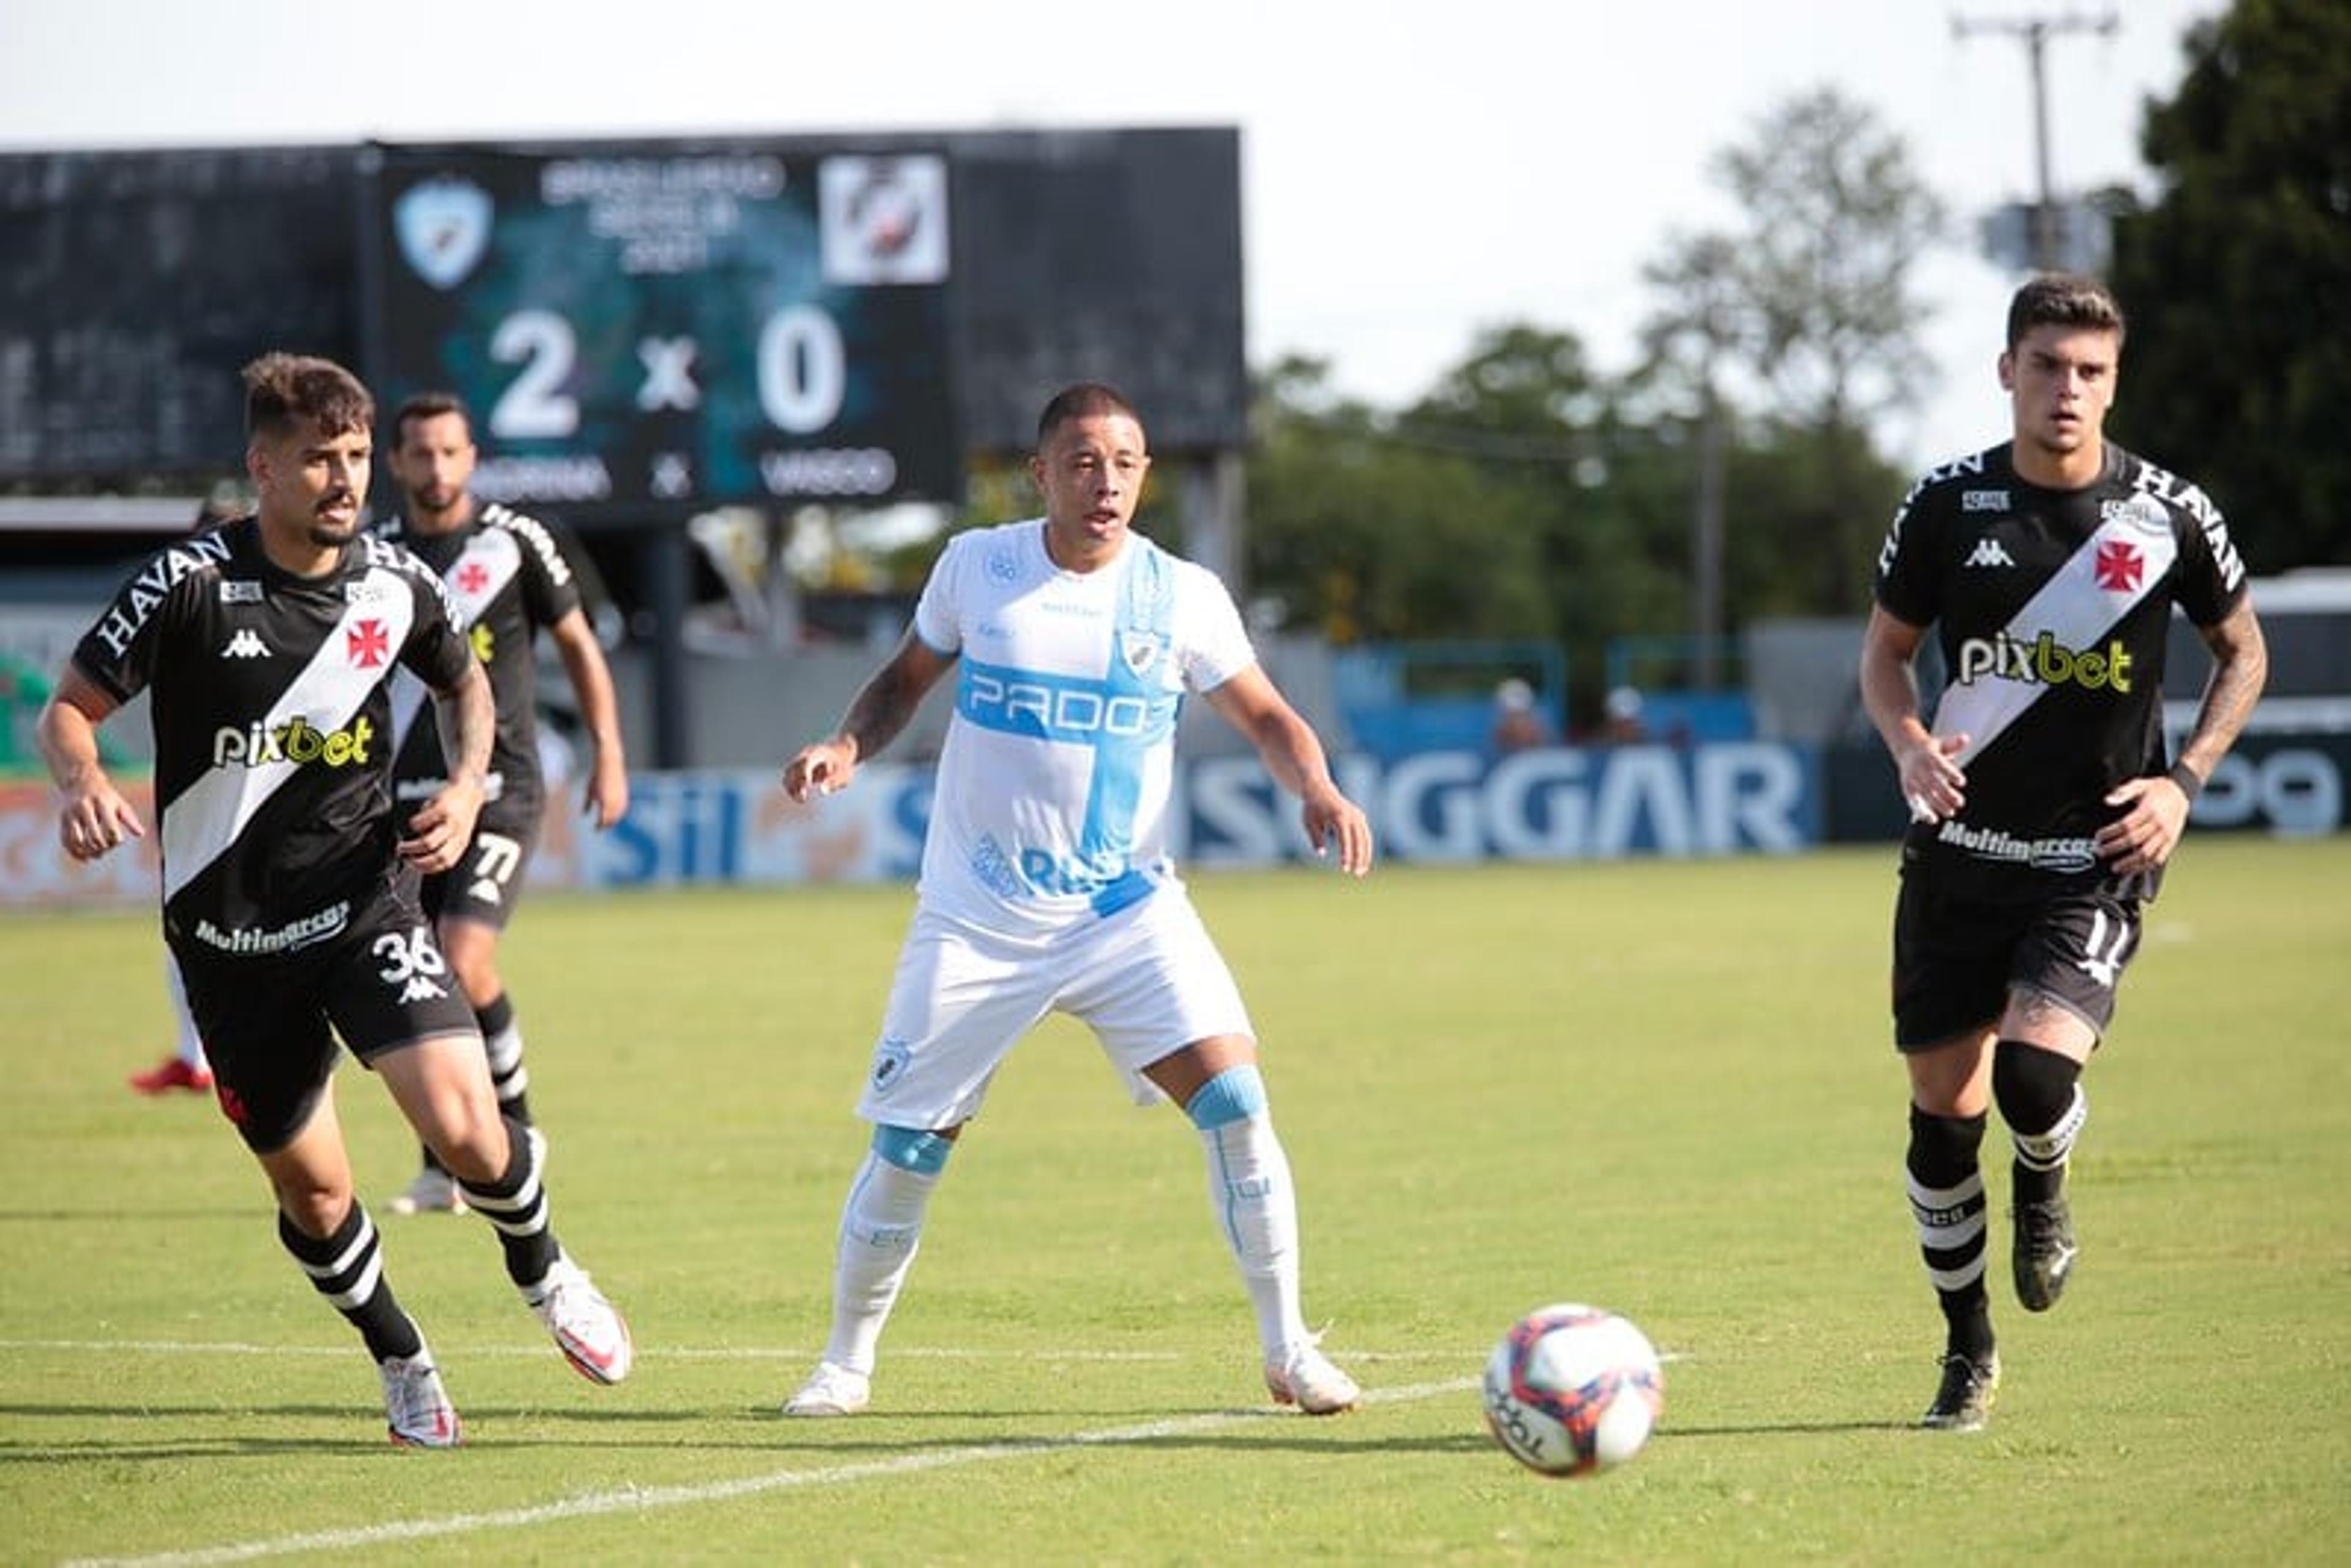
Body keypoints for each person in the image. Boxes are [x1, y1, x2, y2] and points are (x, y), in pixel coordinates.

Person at [37, 353, 632, 1447]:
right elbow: (70, 709)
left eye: (357, 457)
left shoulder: (396, 586)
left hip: (363, 904)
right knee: (315, 1199)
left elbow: (465, 680)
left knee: (466, 1127)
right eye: (320, 458)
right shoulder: (187, 586)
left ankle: (547, 1274)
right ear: (262, 465)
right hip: (226, 940)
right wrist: (82, 781)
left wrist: (463, 785)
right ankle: (401, 1356)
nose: (345, 478)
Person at [777, 381, 1376, 1419]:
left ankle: (1289, 1350)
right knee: (913, 1146)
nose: (1108, 483)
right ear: (1041, 473)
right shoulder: (980, 568)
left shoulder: (1182, 593)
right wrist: (844, 745)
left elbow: (1270, 716)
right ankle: (845, 1363)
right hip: (977, 918)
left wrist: (1316, 784)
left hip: (1123, 912)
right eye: (1086, 461)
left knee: (1236, 1101)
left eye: (1128, 463)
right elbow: (903, 682)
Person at [1859, 274, 2267, 1433]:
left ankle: (2045, 1178)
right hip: (1956, 853)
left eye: (2091, 372)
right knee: (1943, 1114)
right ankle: (1967, 1351)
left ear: (2114, 382)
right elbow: (1884, 659)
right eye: (2047, 366)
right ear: (2007, 372)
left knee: (2036, 1078)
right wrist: (1904, 743)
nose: (2068, 391)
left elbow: (2244, 655)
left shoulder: (2167, 515)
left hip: (2092, 853)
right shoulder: (1944, 506)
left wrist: (2184, 784)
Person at [373, 392, 630, 1216]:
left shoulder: (515, 542)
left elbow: (580, 647)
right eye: (422, 454)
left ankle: (513, 1127)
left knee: (463, 957)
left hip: (500, 790)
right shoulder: (376, 557)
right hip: (404, 803)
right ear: (397, 462)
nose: (437, 468)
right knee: (419, 977)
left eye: (451, 452)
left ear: (471, 456)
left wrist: (609, 754)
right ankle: (441, 1162)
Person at [126, 487, 254, 1096]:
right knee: (186, 931)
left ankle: (240, 1054)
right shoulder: (180, 604)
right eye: (207, 533)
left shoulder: (288, 609)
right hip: (195, 800)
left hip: (273, 804)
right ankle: (195, 1054)